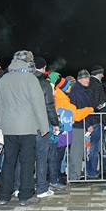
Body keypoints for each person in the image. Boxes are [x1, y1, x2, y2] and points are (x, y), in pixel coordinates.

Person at [0, 50, 48, 207]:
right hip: (27, 127)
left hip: (9, 128)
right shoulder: (30, 79)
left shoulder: (3, 80)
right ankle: (25, 195)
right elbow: (38, 105)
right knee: (27, 161)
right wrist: (44, 126)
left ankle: (4, 195)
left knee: (9, 161)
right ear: (28, 62)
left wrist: (2, 125)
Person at [47, 74, 94, 189]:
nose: (70, 88)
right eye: (68, 86)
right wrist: (90, 109)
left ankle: (53, 178)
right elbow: (76, 115)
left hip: (57, 132)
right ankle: (55, 179)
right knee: (57, 156)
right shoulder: (63, 101)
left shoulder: (57, 97)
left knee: (54, 156)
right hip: (61, 132)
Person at [33, 57, 59, 198]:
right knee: (42, 157)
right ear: (43, 68)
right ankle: (42, 187)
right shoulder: (44, 84)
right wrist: (55, 123)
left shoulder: (26, 81)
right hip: (42, 125)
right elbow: (49, 106)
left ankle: (19, 186)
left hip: (26, 125)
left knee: (24, 158)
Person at [67, 69, 93, 181]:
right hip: (78, 124)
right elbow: (80, 108)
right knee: (76, 151)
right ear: (80, 79)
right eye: (86, 78)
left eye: (88, 78)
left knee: (77, 151)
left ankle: (75, 174)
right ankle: (74, 176)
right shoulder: (78, 91)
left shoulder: (80, 89)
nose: (88, 80)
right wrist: (87, 124)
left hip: (80, 123)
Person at [86, 64, 106, 179]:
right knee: (95, 147)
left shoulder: (88, 84)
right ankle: (92, 171)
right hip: (97, 119)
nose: (103, 75)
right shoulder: (97, 85)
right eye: (102, 73)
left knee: (89, 147)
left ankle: (89, 169)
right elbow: (101, 103)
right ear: (99, 73)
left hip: (88, 119)